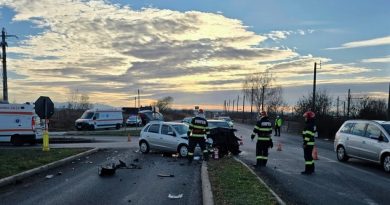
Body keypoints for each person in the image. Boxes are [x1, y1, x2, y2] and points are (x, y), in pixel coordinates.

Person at [301, 111, 316, 175]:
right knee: (310, 156)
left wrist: (305, 143)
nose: (305, 118)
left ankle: (308, 170)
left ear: (309, 118)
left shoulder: (309, 125)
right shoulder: (312, 124)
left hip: (308, 143)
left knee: (307, 157)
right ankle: (312, 169)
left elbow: (307, 136)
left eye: (306, 117)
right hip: (311, 143)